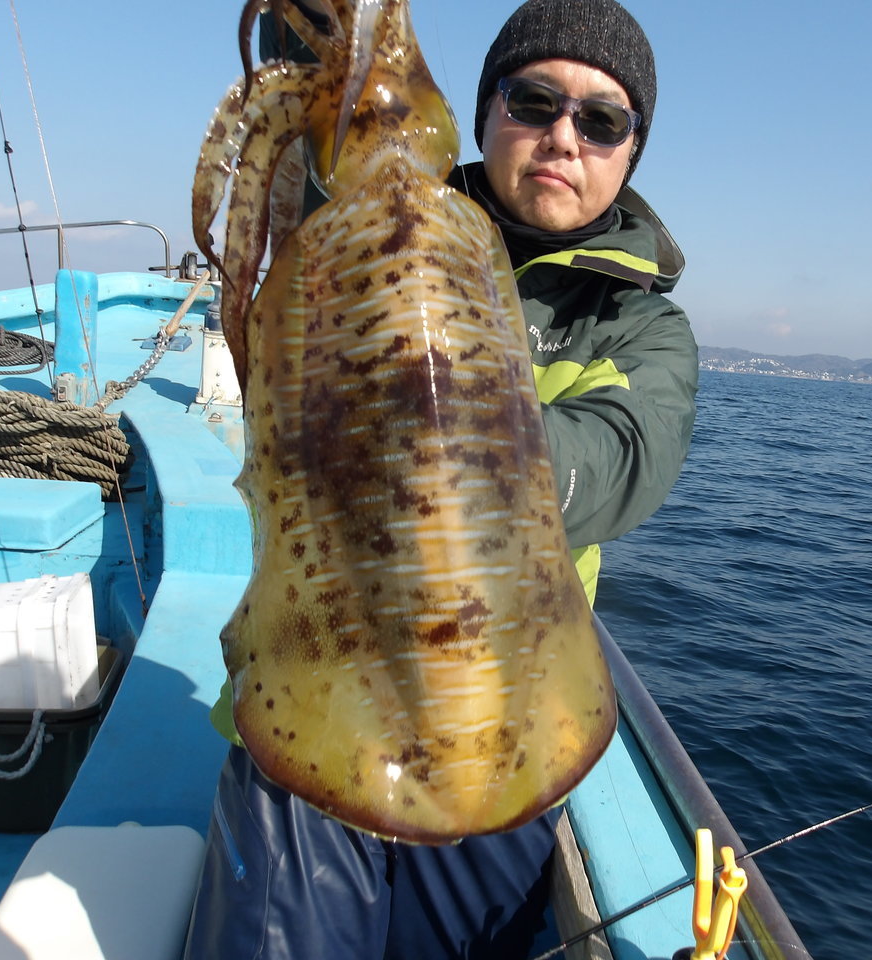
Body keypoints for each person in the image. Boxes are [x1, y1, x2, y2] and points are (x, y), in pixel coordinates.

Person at [182, 1, 697, 956]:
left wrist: (435, 427)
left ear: (631, 150)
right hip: (320, 674)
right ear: (485, 110)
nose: (563, 137)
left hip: (501, 726)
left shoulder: (640, 327)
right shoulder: (349, 222)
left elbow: (624, 460)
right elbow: (310, 103)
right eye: (534, 101)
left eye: (601, 120)